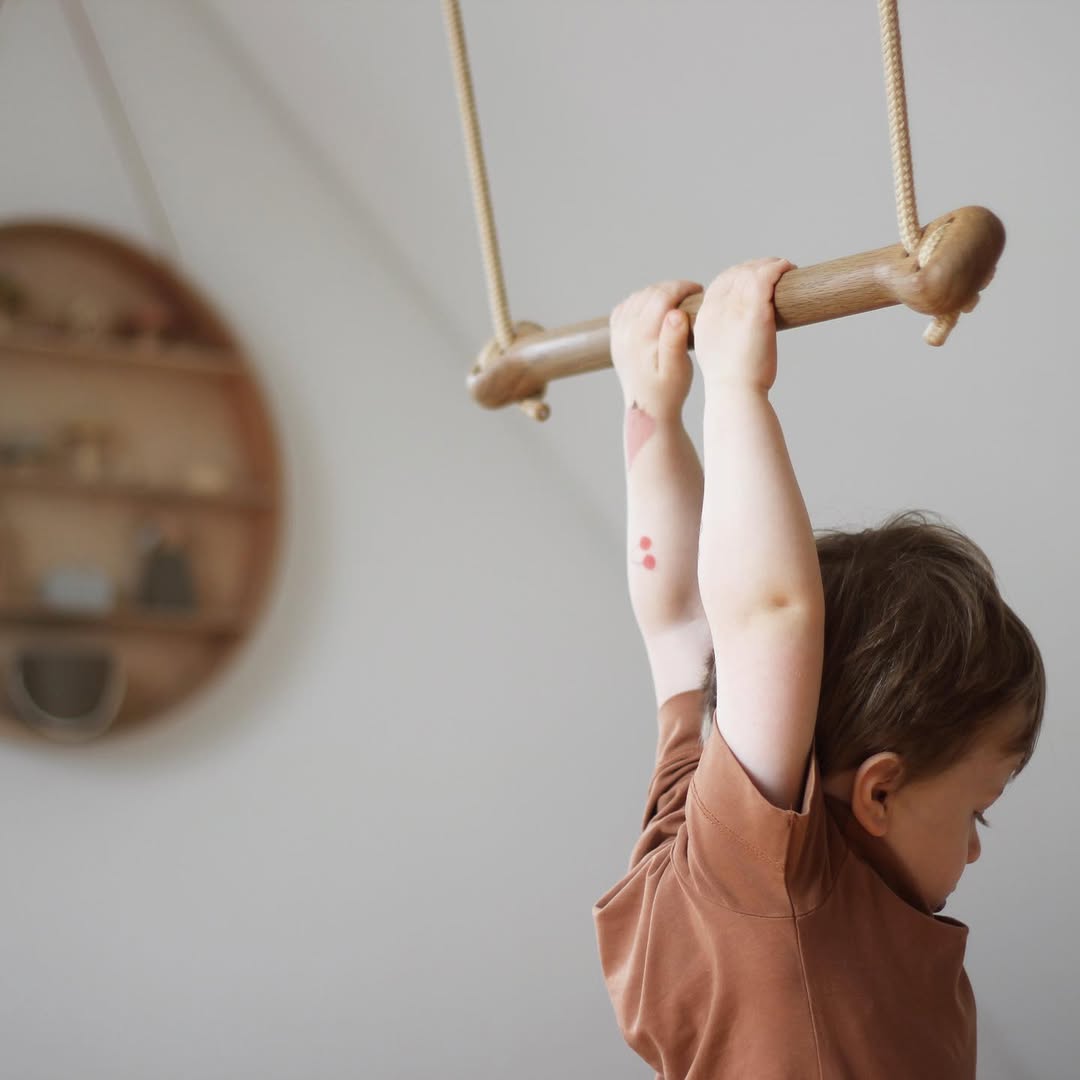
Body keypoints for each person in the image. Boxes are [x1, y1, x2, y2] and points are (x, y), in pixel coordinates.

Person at [593, 264, 1045, 1079]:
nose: (975, 852)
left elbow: (679, 623)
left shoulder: (695, 821)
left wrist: (649, 408)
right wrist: (735, 388)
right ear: (877, 791)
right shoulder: (766, 879)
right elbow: (765, 615)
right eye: (978, 813)